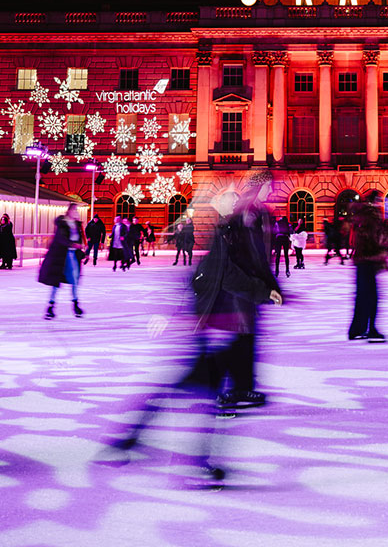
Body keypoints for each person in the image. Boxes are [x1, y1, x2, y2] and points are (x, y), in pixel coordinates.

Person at [100, 169, 283, 483]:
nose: (236, 198)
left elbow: (216, 275)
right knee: (199, 394)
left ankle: (134, 439)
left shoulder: (227, 230)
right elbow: (221, 276)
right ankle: (185, 456)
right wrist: (261, 292)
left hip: (217, 326)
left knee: (190, 392)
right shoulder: (227, 232)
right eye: (230, 197)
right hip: (217, 329)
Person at [348, 190, 388, 342]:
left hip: (362, 260)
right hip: (370, 259)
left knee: (362, 296)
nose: (381, 202)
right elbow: (378, 237)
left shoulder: (362, 214)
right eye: (380, 199)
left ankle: (357, 329)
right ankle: (371, 329)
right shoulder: (372, 215)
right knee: (371, 297)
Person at [38, 204, 86, 318]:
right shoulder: (62, 224)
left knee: (74, 279)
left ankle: (75, 305)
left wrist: (81, 249)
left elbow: (79, 238)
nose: (77, 213)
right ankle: (50, 307)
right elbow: (60, 238)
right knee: (56, 281)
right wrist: (72, 244)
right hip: (61, 256)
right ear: (69, 211)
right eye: (75, 210)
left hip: (73, 255)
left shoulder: (76, 225)